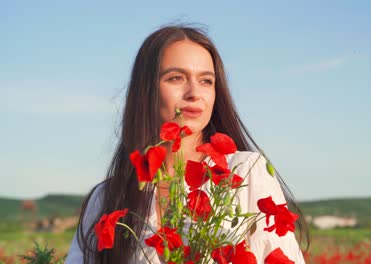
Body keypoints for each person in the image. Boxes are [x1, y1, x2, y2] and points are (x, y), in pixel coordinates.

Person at [65, 25, 308, 264]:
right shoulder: (107, 197)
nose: (194, 93)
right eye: (176, 78)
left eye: (206, 81)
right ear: (146, 90)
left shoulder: (246, 172)